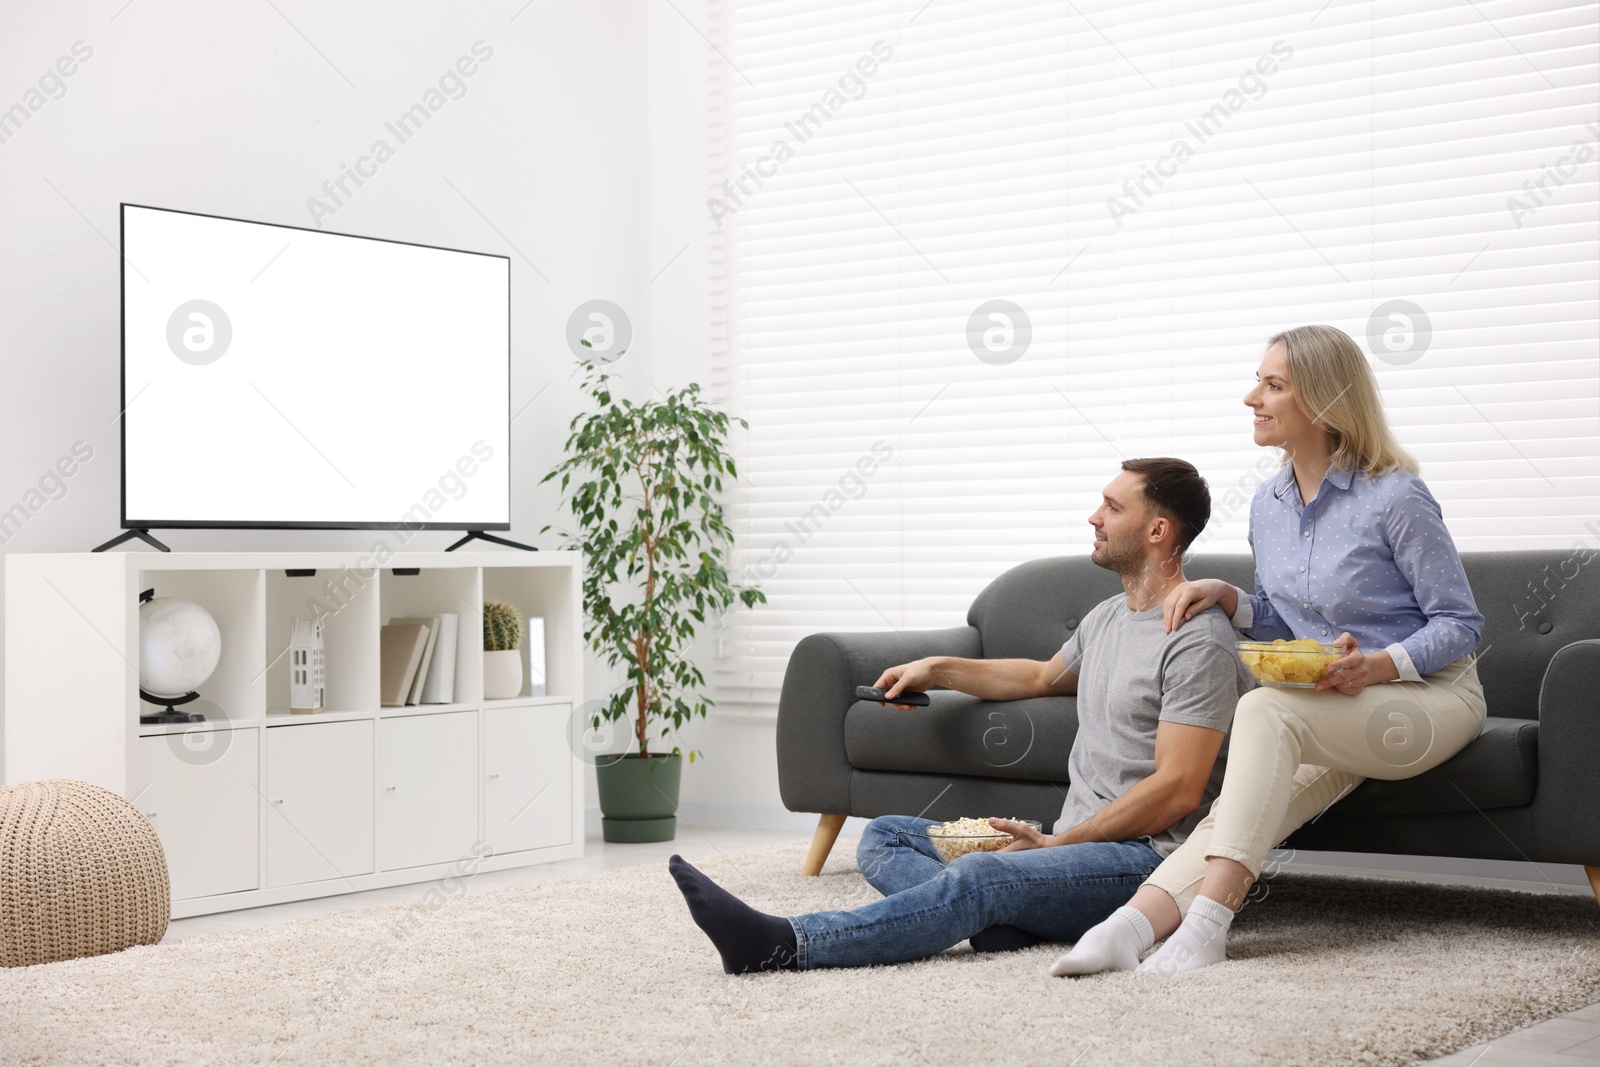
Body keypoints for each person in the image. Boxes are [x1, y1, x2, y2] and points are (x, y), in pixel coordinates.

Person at [667, 456, 1259, 973]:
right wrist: (937, 667)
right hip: (1068, 845)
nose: (1093, 517)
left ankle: (782, 944)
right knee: (885, 834)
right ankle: (1000, 919)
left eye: (1111, 506)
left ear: (1157, 529)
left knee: (984, 876)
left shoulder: (1197, 641)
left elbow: (1179, 790)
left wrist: (1058, 847)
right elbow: (1036, 676)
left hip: (1142, 861)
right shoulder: (1107, 617)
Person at [1054, 324, 1486, 978]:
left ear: (1323, 398)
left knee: (1262, 712)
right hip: (1341, 704)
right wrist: (1231, 596)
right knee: (1243, 807)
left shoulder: (1395, 495)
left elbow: (1460, 622)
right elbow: (1288, 619)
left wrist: (1375, 664)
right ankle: (1128, 926)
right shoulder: (1269, 504)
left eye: (1272, 383)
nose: (1251, 395)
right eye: (1259, 379)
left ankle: (1208, 925)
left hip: (1429, 698)